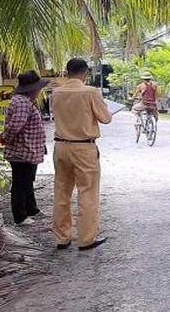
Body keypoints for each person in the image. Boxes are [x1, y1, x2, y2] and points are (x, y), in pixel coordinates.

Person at [52, 58, 112, 250]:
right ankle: (86, 239)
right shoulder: (90, 92)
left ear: (67, 72)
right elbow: (106, 118)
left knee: (61, 191)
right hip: (84, 147)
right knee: (87, 192)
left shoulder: (56, 92)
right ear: (85, 73)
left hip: (61, 146)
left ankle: (62, 237)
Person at [0, 71, 49, 225]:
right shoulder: (21, 102)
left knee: (27, 181)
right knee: (21, 183)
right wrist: (6, 140)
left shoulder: (24, 101)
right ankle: (20, 216)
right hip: (22, 150)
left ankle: (31, 209)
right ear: (32, 89)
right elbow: (15, 127)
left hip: (28, 150)